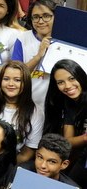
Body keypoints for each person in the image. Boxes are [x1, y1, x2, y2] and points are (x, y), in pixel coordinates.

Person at [43, 59, 87, 187]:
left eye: (72, 78)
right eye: (60, 82)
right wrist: (85, 138)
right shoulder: (69, 104)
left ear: (80, 76)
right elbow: (68, 141)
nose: (67, 86)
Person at [12, 0, 62, 108]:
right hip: (27, 104)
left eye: (46, 16)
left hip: (56, 106)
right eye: (36, 17)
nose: (40, 21)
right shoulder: (22, 39)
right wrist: (38, 56)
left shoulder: (66, 43)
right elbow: (16, 74)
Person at [0, 61, 44, 163]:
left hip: (8, 163)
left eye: (17, 80)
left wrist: (3, 167)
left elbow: (27, 152)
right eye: (6, 79)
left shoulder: (35, 112)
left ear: (25, 83)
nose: (11, 84)